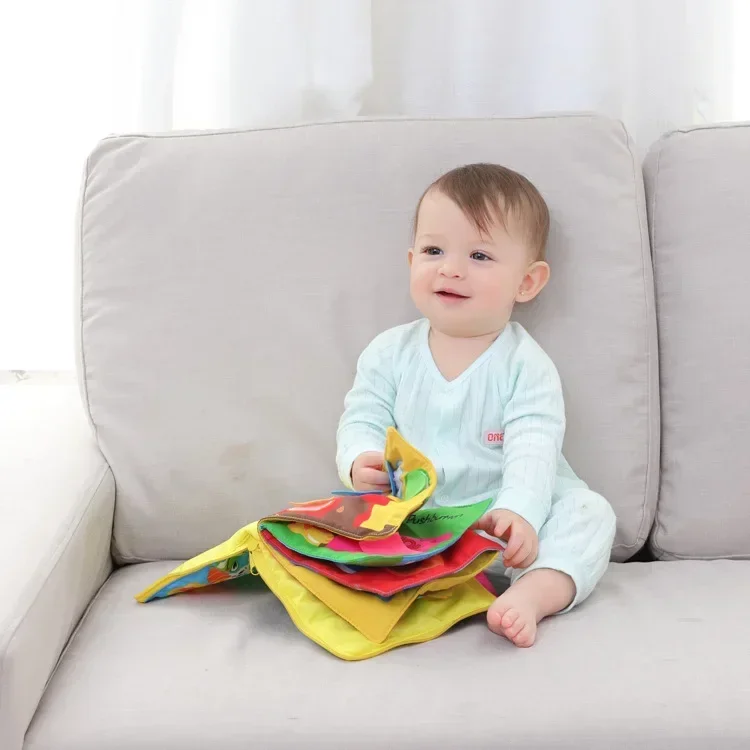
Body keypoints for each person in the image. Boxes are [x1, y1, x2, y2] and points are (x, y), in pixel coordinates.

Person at [336, 163, 616, 647]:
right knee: (349, 524)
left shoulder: (525, 365)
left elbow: (534, 447)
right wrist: (360, 457)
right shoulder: (389, 353)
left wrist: (519, 512)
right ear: (411, 261)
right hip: (421, 521)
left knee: (590, 513)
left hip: (506, 532)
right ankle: (419, 582)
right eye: (433, 251)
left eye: (480, 255)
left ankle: (534, 593)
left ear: (526, 283)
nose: (450, 268)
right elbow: (363, 415)